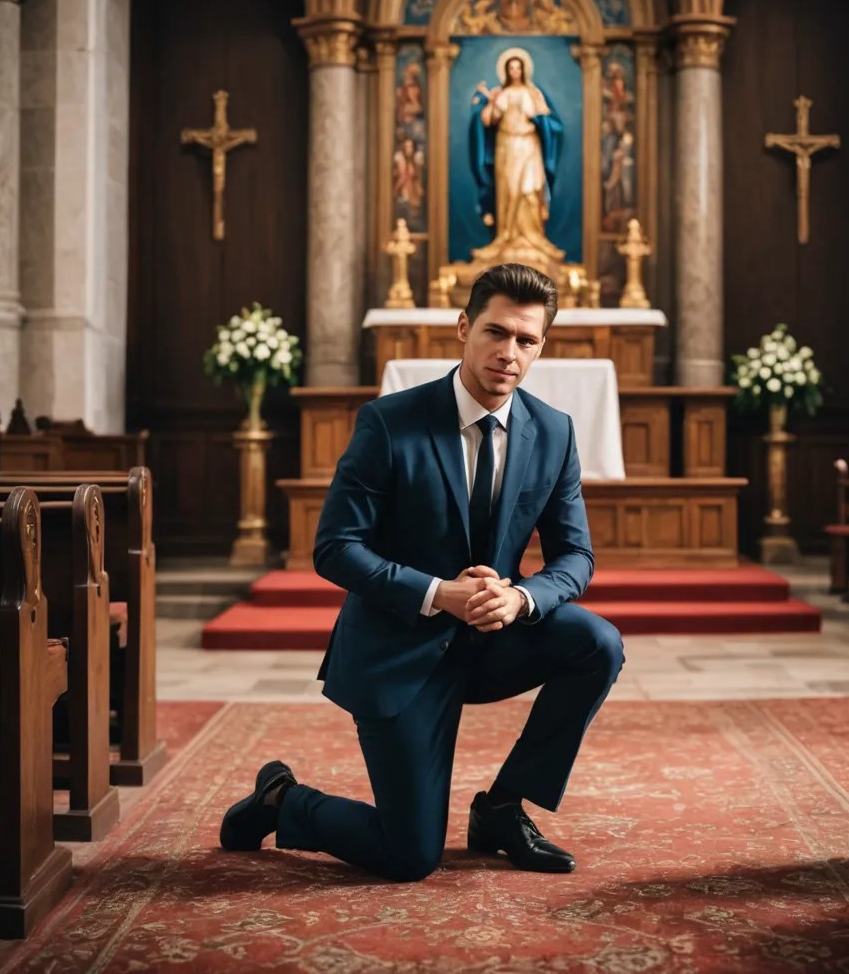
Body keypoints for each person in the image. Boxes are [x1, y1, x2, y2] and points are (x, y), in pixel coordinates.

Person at [220, 263, 624, 881]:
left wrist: (520, 599)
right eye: (495, 333)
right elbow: (335, 547)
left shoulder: (553, 431)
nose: (508, 353)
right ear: (464, 328)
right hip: (400, 648)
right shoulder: (389, 422)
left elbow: (576, 557)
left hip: (492, 639)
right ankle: (282, 800)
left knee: (598, 642)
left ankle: (501, 809)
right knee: (408, 856)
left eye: (526, 340)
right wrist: (439, 594)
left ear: (541, 346)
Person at [470, 51, 564, 261]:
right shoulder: (501, 94)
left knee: (530, 189)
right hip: (507, 146)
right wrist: (493, 102)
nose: (515, 71)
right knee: (510, 190)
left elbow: (548, 121)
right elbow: (488, 120)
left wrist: (537, 115)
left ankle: (534, 236)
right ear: (506, 70)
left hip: (529, 145)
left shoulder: (533, 93)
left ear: (523, 69)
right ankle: (506, 235)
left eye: (518, 67)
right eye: (511, 67)